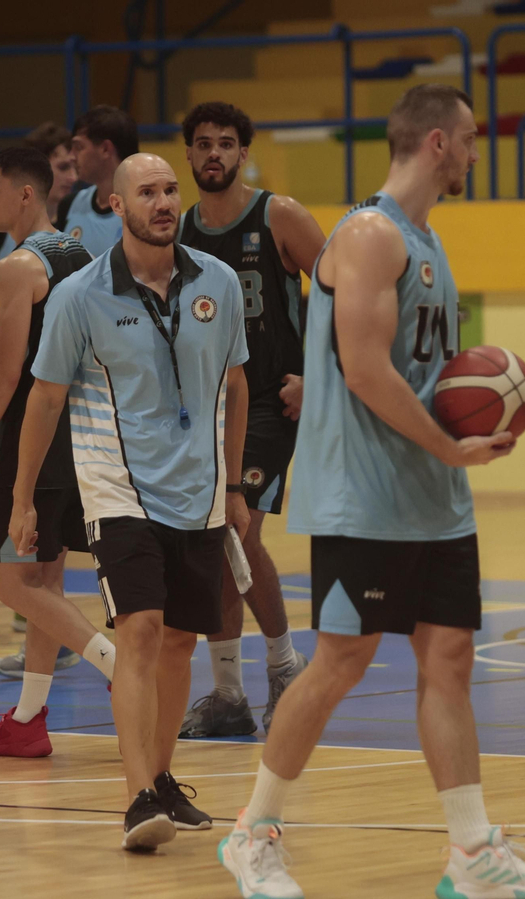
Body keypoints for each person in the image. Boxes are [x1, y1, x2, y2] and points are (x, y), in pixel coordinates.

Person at [218, 85, 525, 899]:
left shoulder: (428, 241)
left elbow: (415, 370)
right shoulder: (372, 235)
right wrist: (450, 441)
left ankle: (472, 853)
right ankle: (253, 832)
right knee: (341, 660)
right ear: (439, 144)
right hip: (367, 494)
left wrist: (453, 447)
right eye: (473, 138)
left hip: (433, 493)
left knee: (448, 659)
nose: (479, 151)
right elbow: (367, 369)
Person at [11, 153, 249, 851]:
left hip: (200, 493)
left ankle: (166, 776)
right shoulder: (79, 294)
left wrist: (234, 485)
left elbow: (236, 387)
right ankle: (138, 794)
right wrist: (23, 496)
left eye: (170, 189)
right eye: (147, 191)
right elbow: (46, 396)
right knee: (141, 629)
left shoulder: (221, 283)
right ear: (117, 206)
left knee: (179, 639)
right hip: (118, 490)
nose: (164, 201)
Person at [0, 148, 117, 757]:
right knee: (46, 577)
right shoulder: (82, 254)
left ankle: (121, 671)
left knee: (15, 587)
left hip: (35, 437)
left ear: (25, 194)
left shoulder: (19, 266)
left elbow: (6, 371)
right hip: (84, 433)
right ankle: (28, 719)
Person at [176, 101, 324, 737]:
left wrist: (318, 377)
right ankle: (231, 695)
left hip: (270, 399)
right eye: (203, 143)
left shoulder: (279, 215)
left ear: (243, 153)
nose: (214, 153)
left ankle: (284, 667)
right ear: (189, 155)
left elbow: (347, 289)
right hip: (209, 406)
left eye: (226, 143)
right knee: (215, 541)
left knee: (237, 533)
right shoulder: (178, 229)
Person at [58, 105, 137, 257]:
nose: (71, 156)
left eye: (78, 147)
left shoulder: (147, 207)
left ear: (106, 149)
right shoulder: (69, 205)